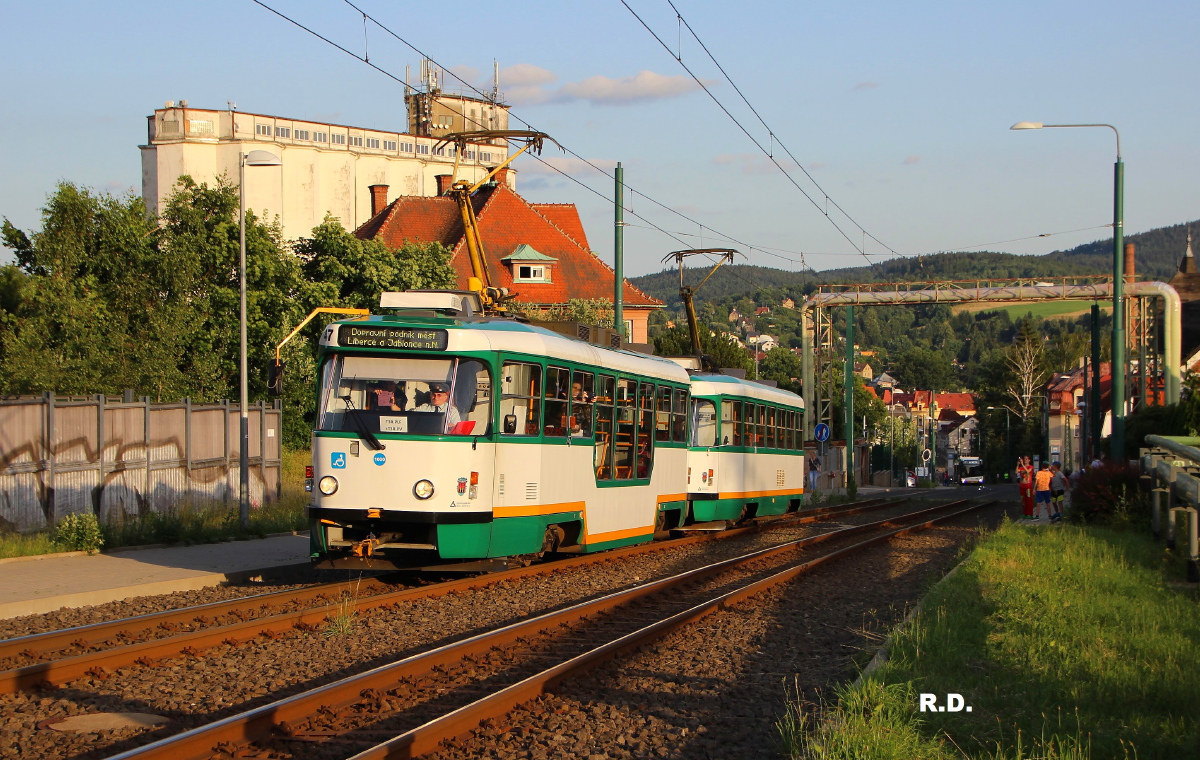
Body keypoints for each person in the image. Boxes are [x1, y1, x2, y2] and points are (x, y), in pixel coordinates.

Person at [1017, 456, 1035, 521]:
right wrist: (1018, 465)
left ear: (1029, 460)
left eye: (1026, 459)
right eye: (1024, 459)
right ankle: (1024, 513)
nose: (1025, 460)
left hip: (1028, 486)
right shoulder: (1021, 468)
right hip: (1022, 486)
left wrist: (1022, 464)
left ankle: (1030, 514)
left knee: (1029, 500)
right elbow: (1016, 472)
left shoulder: (1031, 467)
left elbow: (1027, 471)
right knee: (1023, 500)